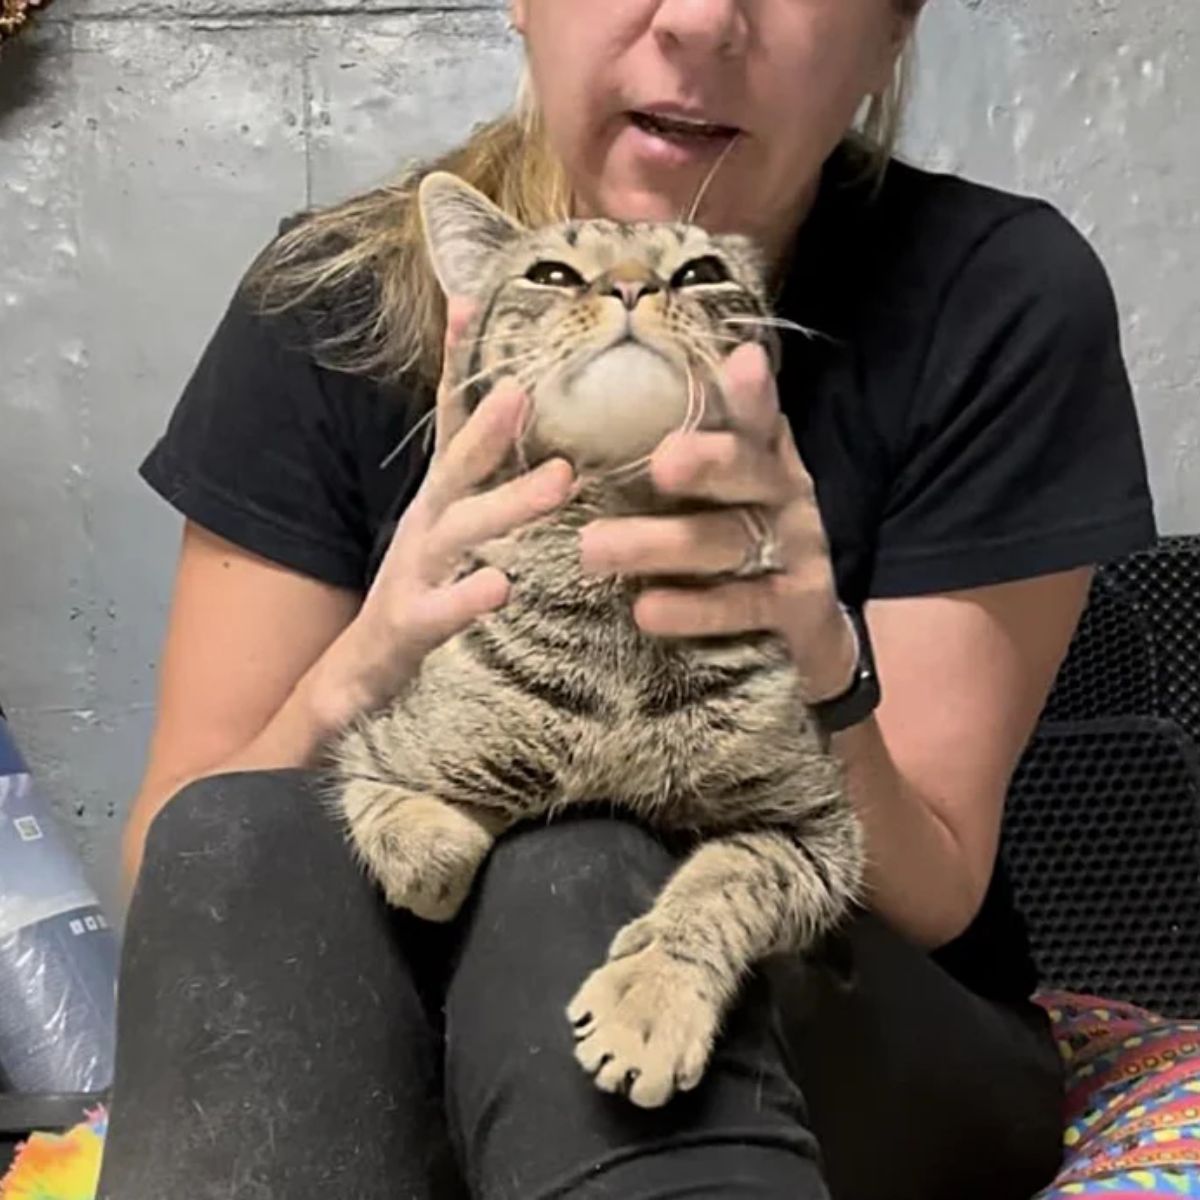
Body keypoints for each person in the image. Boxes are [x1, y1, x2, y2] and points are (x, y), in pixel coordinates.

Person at [97, 2, 1157, 1198]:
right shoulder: (332, 297)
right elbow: (187, 876)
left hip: (860, 1029)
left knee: (573, 870)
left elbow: (937, 883)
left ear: (893, 28)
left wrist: (822, 665)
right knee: (249, 833)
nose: (702, 17)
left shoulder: (993, 292)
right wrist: (370, 659)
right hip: (417, 1026)